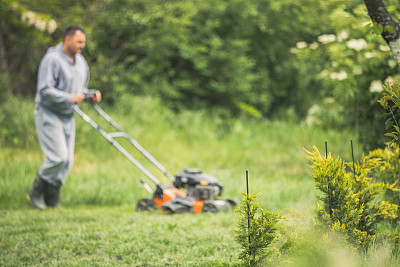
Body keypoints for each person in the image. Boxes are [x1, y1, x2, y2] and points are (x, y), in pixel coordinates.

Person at [27, 25, 101, 209]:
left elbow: (80, 90)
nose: (82, 45)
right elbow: (44, 90)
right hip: (49, 114)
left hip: (68, 116)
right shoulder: (51, 60)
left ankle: (52, 200)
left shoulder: (81, 62)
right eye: (79, 41)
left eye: (84, 42)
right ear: (67, 39)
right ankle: (35, 193)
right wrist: (69, 98)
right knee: (58, 156)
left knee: (67, 161)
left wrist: (90, 95)